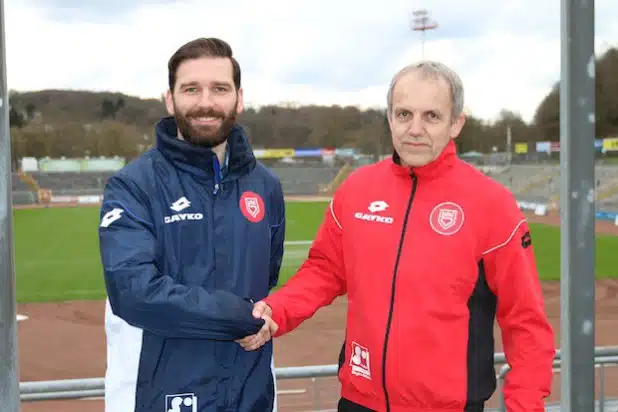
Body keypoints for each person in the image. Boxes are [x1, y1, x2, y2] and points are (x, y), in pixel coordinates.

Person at [238, 61, 555, 412]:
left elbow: (524, 319)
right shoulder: (356, 190)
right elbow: (325, 271)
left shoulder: (493, 205)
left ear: (456, 123)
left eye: (431, 116)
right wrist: (276, 311)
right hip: (359, 401)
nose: (414, 129)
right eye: (404, 114)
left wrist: (525, 405)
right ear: (389, 118)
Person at [98, 37, 283, 412]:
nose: (205, 102)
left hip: (250, 395)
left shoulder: (265, 186)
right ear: (170, 99)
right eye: (191, 89)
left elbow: (267, 280)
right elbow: (133, 292)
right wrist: (240, 317)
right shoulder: (133, 185)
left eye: (219, 89)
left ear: (239, 98)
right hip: (158, 396)